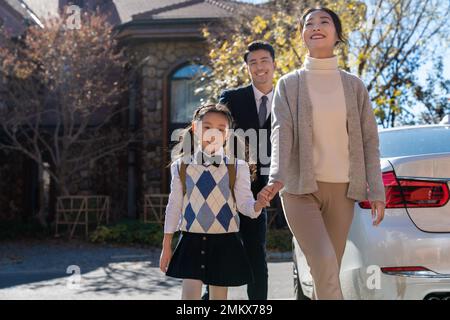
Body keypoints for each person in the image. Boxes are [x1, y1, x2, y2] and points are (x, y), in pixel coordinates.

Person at [261, 7, 386, 300]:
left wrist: (376, 189)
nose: (315, 26)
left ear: (337, 34)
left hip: (343, 192)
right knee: (325, 264)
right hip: (299, 190)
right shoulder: (289, 84)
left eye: (324, 21)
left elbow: (370, 140)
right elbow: (281, 132)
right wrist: (276, 177)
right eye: (309, 23)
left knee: (326, 274)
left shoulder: (354, 86)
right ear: (303, 35)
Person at [160, 103, 271, 300]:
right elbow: (174, 206)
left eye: (221, 129)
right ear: (195, 128)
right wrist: (166, 245)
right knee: (189, 299)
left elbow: (246, 206)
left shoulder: (238, 167)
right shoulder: (181, 166)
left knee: (218, 299)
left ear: (228, 134)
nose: (214, 133)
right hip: (191, 240)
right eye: (207, 126)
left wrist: (258, 204)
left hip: (225, 241)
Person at [205, 41, 276, 300]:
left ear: (273, 64)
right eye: (253, 62)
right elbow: (214, 135)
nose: (259, 67)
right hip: (229, 184)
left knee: (256, 250)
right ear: (247, 68)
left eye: (264, 60)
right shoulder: (232, 98)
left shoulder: (286, 99)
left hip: (268, 186)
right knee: (219, 245)